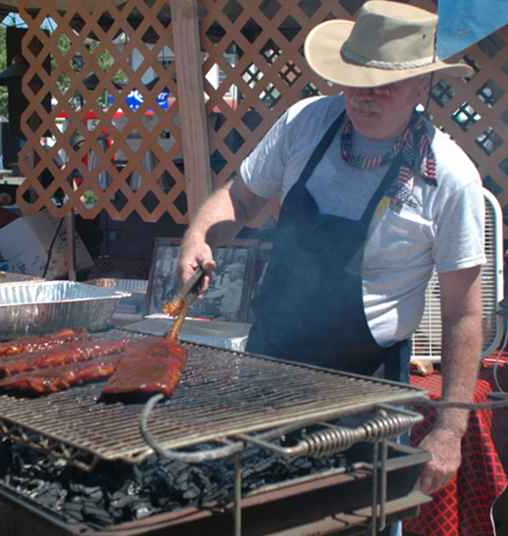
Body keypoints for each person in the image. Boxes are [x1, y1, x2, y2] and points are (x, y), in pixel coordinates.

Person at [178, 0, 484, 498]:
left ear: (422, 86)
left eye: (386, 84)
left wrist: (450, 430)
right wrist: (199, 236)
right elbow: (240, 199)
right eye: (358, 79)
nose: (366, 96)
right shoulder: (306, 123)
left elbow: (464, 315)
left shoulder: (449, 178)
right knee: (250, 508)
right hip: (269, 365)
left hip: (366, 393)